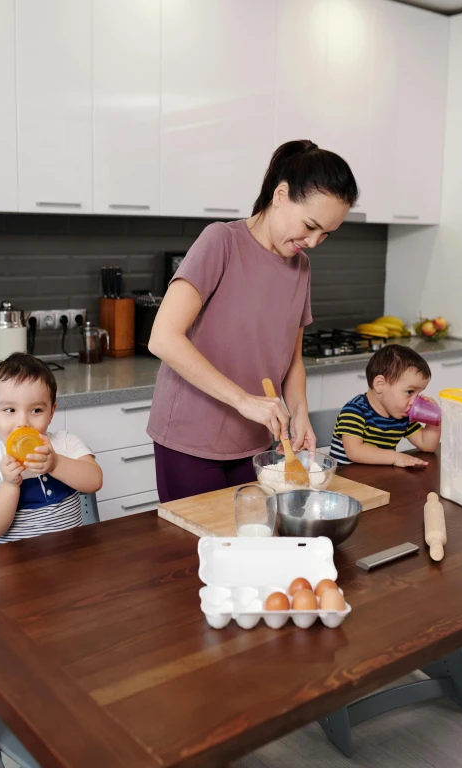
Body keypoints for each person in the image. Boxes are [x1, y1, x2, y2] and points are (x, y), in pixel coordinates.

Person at [147, 140, 359, 502]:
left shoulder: (301, 268)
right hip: (191, 438)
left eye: (326, 233)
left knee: (255, 543)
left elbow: (291, 360)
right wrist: (244, 400)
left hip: (257, 443)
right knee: (200, 552)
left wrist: (300, 414)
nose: (314, 241)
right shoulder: (222, 242)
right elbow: (163, 338)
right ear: (280, 195)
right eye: (310, 225)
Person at [0, 353, 103, 544]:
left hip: (72, 557)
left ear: (51, 412)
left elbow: (95, 481)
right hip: (18, 567)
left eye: (36, 410)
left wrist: (56, 463)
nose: (23, 422)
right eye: (10, 410)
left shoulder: (65, 443)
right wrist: (9, 484)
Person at [329, 344, 441, 467]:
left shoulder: (402, 416)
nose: (414, 402)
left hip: (377, 480)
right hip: (343, 480)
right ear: (380, 385)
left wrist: (433, 419)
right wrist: (396, 458)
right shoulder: (355, 411)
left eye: (419, 393)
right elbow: (354, 451)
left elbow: (427, 445)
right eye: (410, 392)